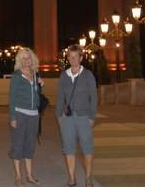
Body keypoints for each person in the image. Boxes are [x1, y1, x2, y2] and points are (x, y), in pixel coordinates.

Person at [57, 44, 98, 187]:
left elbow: (93, 97)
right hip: (67, 119)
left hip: (83, 117)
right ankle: (72, 179)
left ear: (81, 58)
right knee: (69, 149)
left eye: (75, 57)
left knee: (87, 149)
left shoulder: (88, 75)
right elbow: (60, 97)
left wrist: (92, 117)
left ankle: (88, 178)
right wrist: (59, 116)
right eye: (70, 57)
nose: (73, 59)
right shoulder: (64, 76)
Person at [8, 47, 43, 186]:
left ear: (32, 58)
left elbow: (37, 94)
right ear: (20, 60)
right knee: (18, 145)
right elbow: (12, 98)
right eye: (24, 58)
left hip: (34, 115)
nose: (27, 60)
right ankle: (18, 177)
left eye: (29, 57)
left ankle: (29, 175)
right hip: (20, 114)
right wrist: (13, 117)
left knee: (30, 145)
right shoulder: (17, 76)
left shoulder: (35, 74)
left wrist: (40, 85)